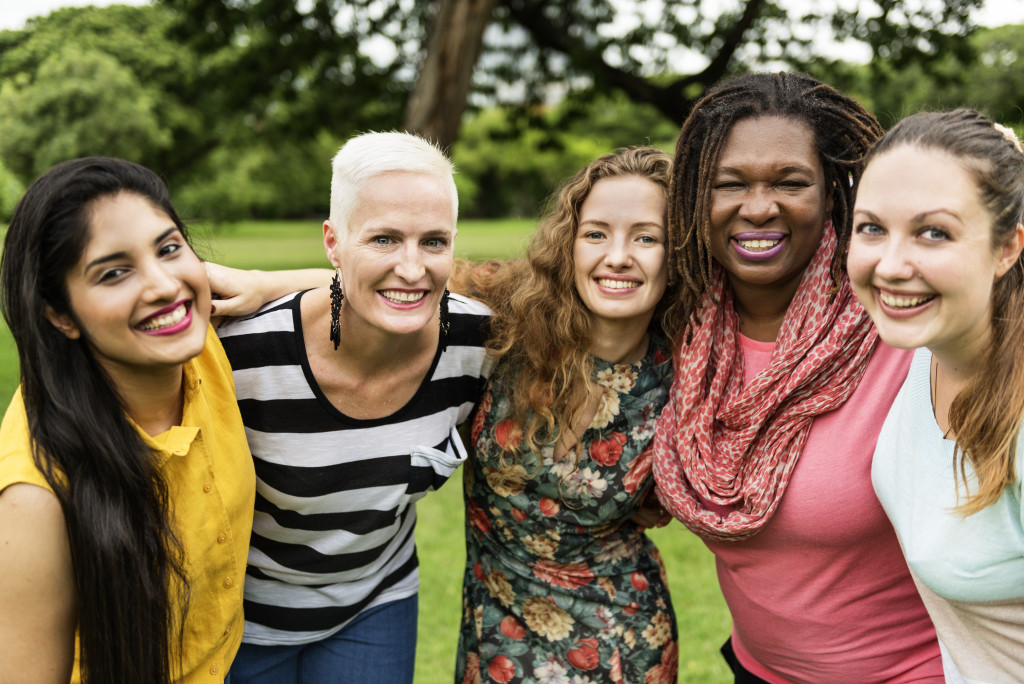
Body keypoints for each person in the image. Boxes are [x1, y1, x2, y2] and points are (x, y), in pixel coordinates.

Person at [651, 72, 944, 682]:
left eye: (790, 183)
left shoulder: (903, 330)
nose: (758, 208)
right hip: (759, 670)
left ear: (836, 192)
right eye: (728, 184)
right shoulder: (680, 328)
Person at [216, 132, 493, 683]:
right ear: (333, 242)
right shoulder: (242, 355)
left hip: (376, 604)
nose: (413, 268)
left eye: (433, 242)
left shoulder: (477, 345)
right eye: (384, 239)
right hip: (243, 621)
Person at [0, 157, 255, 683]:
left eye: (168, 248)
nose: (163, 285)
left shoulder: (198, 336)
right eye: (114, 272)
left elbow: (359, 286)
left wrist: (263, 283)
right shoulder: (34, 498)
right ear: (60, 314)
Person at [453, 146, 685, 683]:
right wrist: (261, 283)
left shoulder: (686, 371)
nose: (618, 256)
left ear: (678, 256)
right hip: (496, 628)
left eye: (646, 238)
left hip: (621, 633)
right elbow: (394, 286)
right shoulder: (510, 315)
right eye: (596, 233)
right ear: (569, 245)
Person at [848, 109, 1024, 683]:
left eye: (934, 232)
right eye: (871, 227)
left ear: (1006, 249)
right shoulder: (925, 347)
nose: (891, 266)